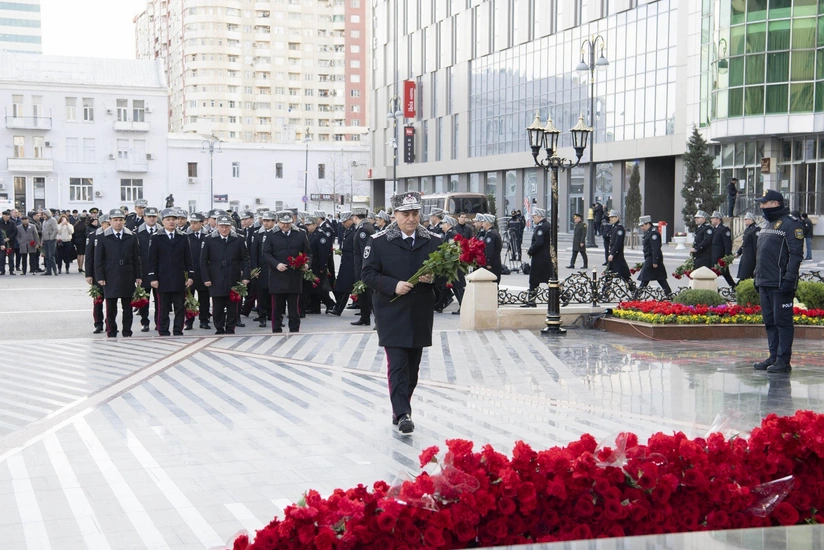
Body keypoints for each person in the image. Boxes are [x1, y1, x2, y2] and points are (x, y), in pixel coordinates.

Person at [361, 191, 442, 434]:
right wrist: (393, 285)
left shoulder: (434, 241)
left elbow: (447, 276)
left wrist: (433, 278)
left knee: (413, 369)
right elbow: (367, 274)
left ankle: (400, 408)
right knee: (397, 365)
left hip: (419, 313)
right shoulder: (378, 241)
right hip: (391, 312)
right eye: (405, 214)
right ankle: (403, 413)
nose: (411, 218)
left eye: (415, 213)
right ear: (394, 215)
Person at [752, 190, 804, 374]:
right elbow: (762, 252)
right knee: (770, 322)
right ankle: (773, 356)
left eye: (763, 203)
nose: (761, 206)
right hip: (765, 280)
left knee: (782, 322)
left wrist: (789, 278)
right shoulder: (768, 223)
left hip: (780, 282)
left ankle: (783, 360)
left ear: (775, 203)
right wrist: (757, 276)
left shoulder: (791, 224)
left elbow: (796, 254)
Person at [94, 209, 142, 338]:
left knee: (127, 306)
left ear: (124, 221)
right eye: (115, 220)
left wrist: (138, 275)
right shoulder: (103, 237)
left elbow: (136, 258)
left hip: (127, 274)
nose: (118, 223)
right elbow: (98, 259)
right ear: (110, 221)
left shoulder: (131, 236)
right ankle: (111, 331)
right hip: (110, 275)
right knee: (111, 307)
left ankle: (127, 331)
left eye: (121, 220)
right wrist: (100, 276)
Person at [262, 211, 311, 333]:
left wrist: (306, 264)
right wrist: (276, 264)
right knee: (277, 307)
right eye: (283, 223)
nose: (285, 225)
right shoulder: (271, 235)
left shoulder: (300, 234)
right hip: (277, 276)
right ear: (278, 222)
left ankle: (294, 329)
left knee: (294, 307)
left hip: (294, 276)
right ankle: (276, 329)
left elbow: (308, 252)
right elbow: (266, 253)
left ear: (292, 221)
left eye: (288, 223)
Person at [201, 214, 250, 335]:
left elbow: (245, 260)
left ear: (231, 226)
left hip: (233, 276)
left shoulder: (239, 239)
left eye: (227, 227)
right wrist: (206, 278)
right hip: (216, 277)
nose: (224, 229)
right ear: (217, 226)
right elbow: (203, 261)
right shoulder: (209, 239)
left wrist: (246, 277)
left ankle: (230, 328)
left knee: (232, 305)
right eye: (222, 226)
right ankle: (219, 328)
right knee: (217, 306)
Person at [148, 208, 194, 336]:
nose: (171, 222)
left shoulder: (183, 237)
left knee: (179, 306)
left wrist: (190, 276)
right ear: (162, 221)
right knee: (163, 307)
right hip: (162, 278)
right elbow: (152, 260)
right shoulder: (156, 237)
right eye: (168, 219)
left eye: (174, 219)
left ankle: (178, 330)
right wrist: (153, 277)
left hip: (178, 277)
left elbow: (188, 258)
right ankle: (163, 330)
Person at [185, 213, 212, 331]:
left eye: (195, 223)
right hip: (189, 272)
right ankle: (189, 321)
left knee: (204, 298)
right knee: (189, 298)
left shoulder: (208, 236)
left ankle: (204, 320)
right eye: (191, 223)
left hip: (203, 272)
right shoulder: (186, 236)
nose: (192, 225)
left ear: (202, 223)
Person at [136, 207, 161, 332]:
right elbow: (135, 254)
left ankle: (159, 322)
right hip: (144, 271)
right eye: (149, 216)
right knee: (144, 299)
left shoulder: (162, 232)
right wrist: (137, 274)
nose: (151, 219)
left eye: (154, 217)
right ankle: (144, 322)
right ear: (144, 218)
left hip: (159, 272)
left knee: (159, 300)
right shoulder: (137, 233)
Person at [306, 214, 336, 315]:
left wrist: (323, 267)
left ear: (315, 224)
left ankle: (330, 303)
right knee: (313, 288)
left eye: (309, 225)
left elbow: (323, 253)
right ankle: (315, 308)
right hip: (312, 265)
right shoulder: (311, 234)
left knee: (319, 288)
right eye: (307, 225)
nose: (308, 227)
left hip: (318, 266)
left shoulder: (321, 235)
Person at [635, 215, 671, 297]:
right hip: (650, 257)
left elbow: (655, 248)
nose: (642, 228)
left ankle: (637, 296)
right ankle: (669, 294)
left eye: (643, 225)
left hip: (652, 258)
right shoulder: (649, 233)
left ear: (648, 224)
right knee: (659, 278)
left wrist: (655, 261)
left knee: (645, 277)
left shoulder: (654, 234)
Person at [521, 208, 551, 308]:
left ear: (539, 217)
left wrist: (531, 250)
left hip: (540, 257)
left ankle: (531, 301)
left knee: (534, 280)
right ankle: (564, 296)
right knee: (548, 279)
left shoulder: (541, 227)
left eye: (534, 217)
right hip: (546, 257)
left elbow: (539, 242)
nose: (533, 219)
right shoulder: (547, 225)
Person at [250, 211, 276, 327]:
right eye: (264, 221)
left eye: (268, 221)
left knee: (274, 293)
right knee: (262, 293)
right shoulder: (258, 234)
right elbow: (253, 253)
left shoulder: (277, 233)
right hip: (262, 268)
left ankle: (273, 315)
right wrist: (254, 269)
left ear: (274, 221)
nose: (265, 223)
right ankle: (262, 316)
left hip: (275, 267)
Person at [351, 208, 376, 326]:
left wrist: (364, 268)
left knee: (369, 294)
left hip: (363, 265)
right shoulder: (366, 226)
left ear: (355, 217)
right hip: (361, 264)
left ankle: (377, 320)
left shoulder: (363, 229)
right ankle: (364, 317)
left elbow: (364, 251)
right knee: (363, 294)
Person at [85, 214, 109, 333]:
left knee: (110, 301)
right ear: (102, 224)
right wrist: (88, 274)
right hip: (97, 273)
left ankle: (109, 323)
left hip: (111, 272)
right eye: (107, 224)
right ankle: (98, 323)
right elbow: (89, 256)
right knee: (98, 300)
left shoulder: (113, 235)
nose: (109, 226)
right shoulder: (93, 235)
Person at [330, 211, 356, 316]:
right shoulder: (348, 230)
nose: (342, 223)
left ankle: (338, 309)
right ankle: (338, 308)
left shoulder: (354, 231)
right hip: (345, 262)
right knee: (342, 286)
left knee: (345, 287)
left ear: (351, 219)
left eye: (344, 221)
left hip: (351, 264)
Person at [710, 211, 736, 288]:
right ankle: (714, 288)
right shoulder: (714, 229)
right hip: (714, 256)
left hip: (720, 256)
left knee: (725, 274)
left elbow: (727, 244)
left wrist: (726, 257)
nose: (711, 220)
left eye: (713, 218)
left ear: (718, 219)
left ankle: (734, 288)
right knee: (715, 274)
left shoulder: (724, 229)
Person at [605, 210, 632, 284]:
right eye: (610, 217)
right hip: (614, 255)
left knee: (624, 275)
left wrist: (612, 253)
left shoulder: (619, 228)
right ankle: (605, 290)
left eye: (612, 217)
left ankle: (633, 289)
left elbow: (618, 243)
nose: (610, 219)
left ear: (617, 217)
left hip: (617, 256)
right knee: (609, 275)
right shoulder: (614, 227)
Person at [735, 212, 760, 282]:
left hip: (751, 257)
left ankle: (737, 287)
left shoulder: (756, 229)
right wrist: (738, 252)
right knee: (744, 276)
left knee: (745, 276)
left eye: (746, 219)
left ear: (751, 220)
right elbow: (744, 243)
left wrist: (757, 258)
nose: (744, 220)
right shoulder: (748, 229)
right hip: (746, 255)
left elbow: (756, 245)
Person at [480, 214, 503, 283]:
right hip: (495, 261)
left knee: (491, 284)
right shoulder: (494, 232)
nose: (482, 224)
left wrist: (488, 262)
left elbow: (489, 249)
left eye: (483, 222)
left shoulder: (491, 234)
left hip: (492, 263)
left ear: (487, 223)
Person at [40, 209, 58, 276]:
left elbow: (56, 229)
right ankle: (48, 270)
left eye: (44, 214)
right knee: (46, 256)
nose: (43, 216)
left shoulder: (52, 220)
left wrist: (51, 238)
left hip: (51, 240)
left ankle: (55, 270)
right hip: (45, 239)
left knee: (51, 256)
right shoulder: (44, 221)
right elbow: (43, 231)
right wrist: (42, 240)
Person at [0, 210, 18, 275]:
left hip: (10, 242)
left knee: (11, 257)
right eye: (6, 216)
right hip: (1, 242)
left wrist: (9, 238)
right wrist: (2, 241)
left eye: (8, 216)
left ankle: (11, 270)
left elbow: (15, 231)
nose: (7, 217)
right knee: (2, 257)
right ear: (3, 215)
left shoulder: (12, 223)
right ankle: (2, 270)